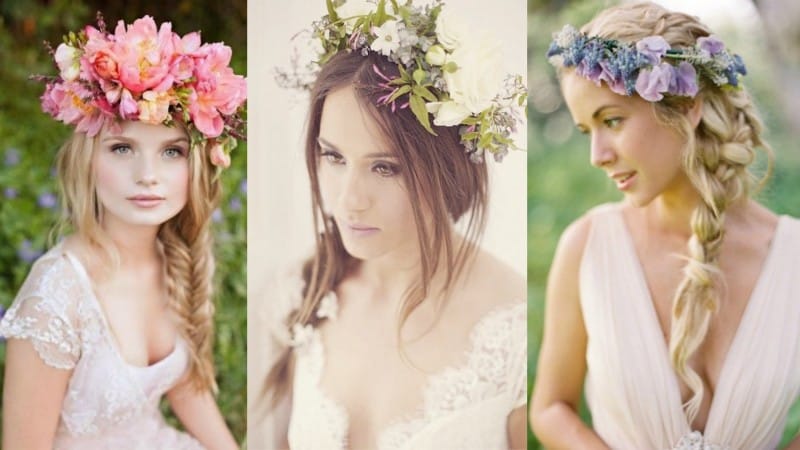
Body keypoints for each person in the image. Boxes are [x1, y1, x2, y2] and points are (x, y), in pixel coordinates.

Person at [248, 1, 528, 449]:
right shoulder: (298, 294)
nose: (349, 200)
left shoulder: (516, 328)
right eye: (333, 156)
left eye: (385, 167)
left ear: (448, 167)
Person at [530, 2, 800, 449]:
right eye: (587, 131)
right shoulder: (588, 247)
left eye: (611, 121)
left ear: (687, 106)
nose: (598, 156)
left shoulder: (793, 257)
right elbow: (550, 407)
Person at [0, 14, 246, 449]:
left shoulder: (172, 255)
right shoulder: (55, 299)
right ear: (87, 161)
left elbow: (187, 387)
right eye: (122, 148)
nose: (147, 175)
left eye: (171, 152)